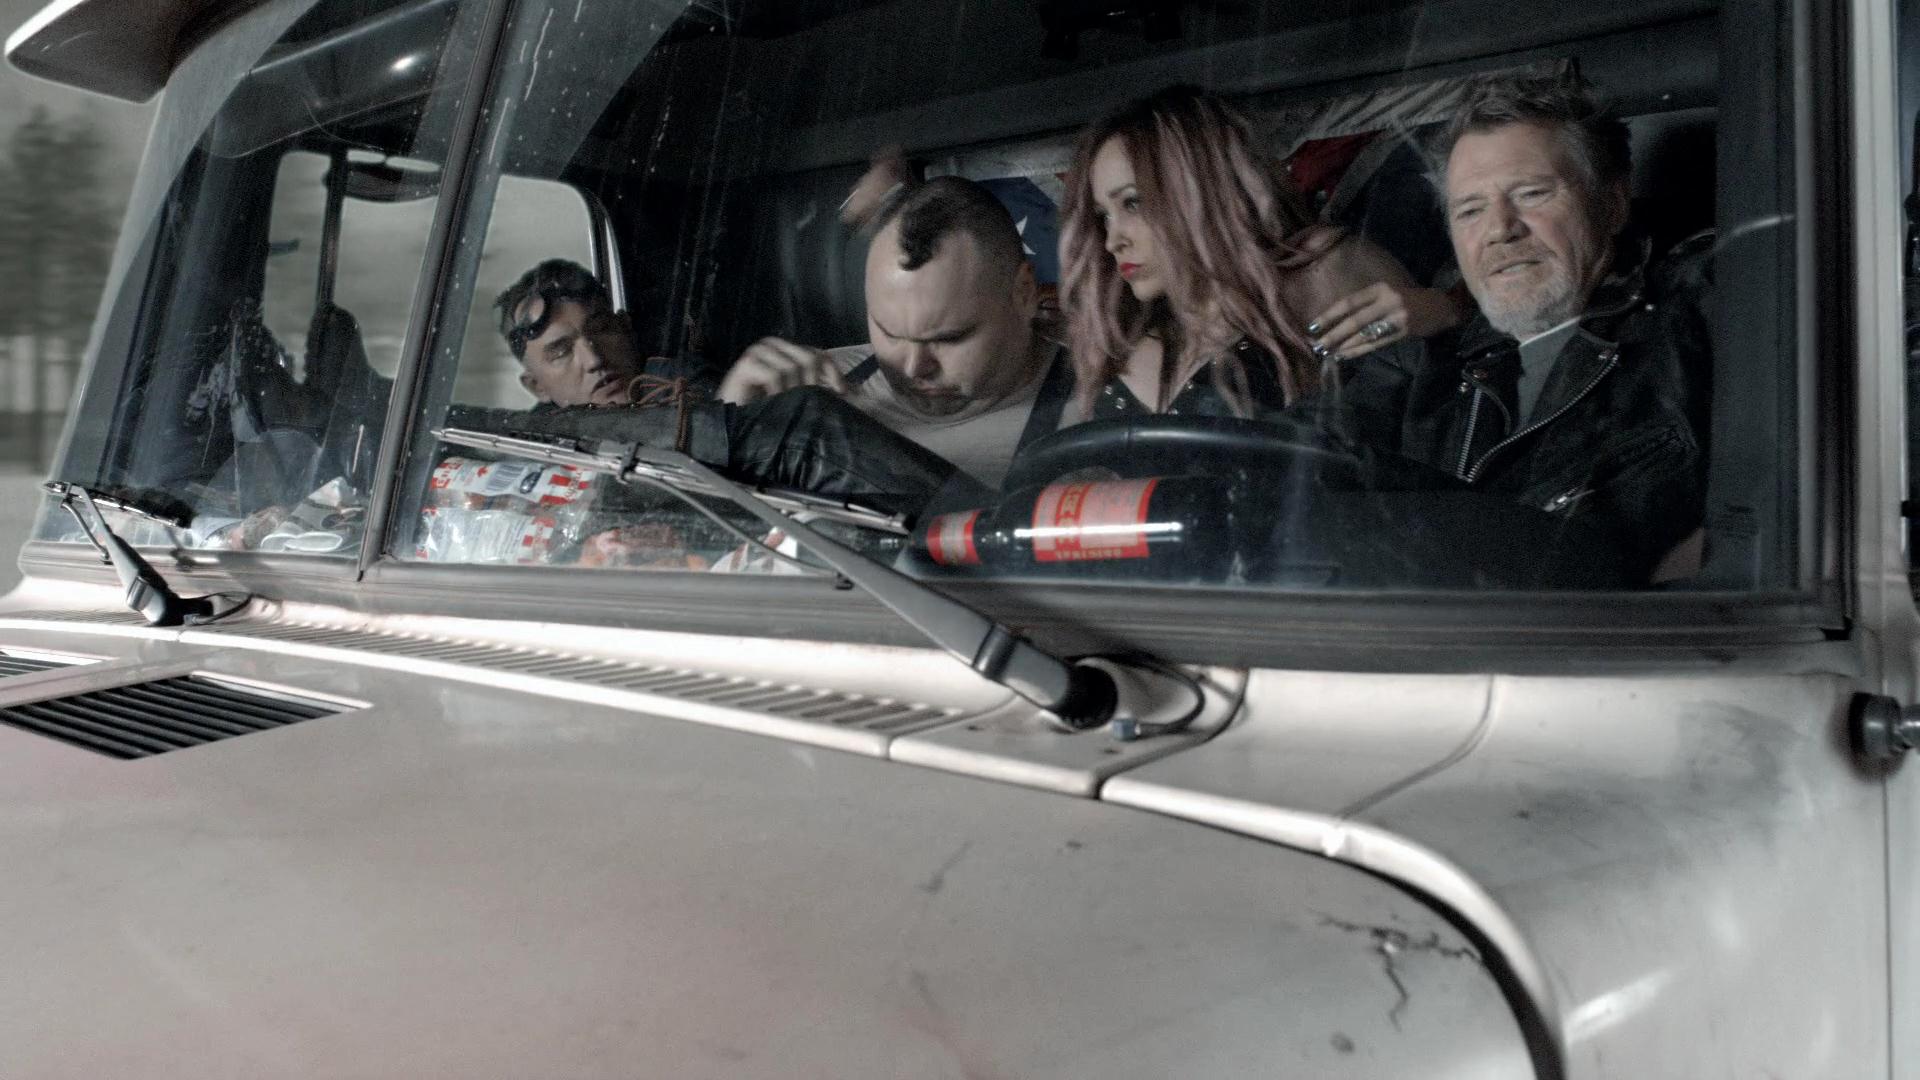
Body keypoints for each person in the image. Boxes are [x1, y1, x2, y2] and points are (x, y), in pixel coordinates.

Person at [1343, 74, 1710, 582]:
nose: (1500, 229)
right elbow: (1303, 460)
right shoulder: (1420, 360)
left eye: (1533, 194)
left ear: (1612, 205)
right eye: (1470, 210)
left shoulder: (1692, 318)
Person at [1056, 85, 1463, 421]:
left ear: (1199, 190)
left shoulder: (1324, 273)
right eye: (1102, 216)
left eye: (1133, 203)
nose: (1112, 240)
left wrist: (1443, 314)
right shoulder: (1119, 338)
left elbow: (1435, 415)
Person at [486, 259, 985, 514]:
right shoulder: (530, 452)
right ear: (535, 385)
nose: (593, 358)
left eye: (601, 331)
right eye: (561, 351)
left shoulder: (685, 380)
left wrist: (726, 408)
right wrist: (728, 418)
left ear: (626, 328)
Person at [716, 175, 1068, 488]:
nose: (914, 367)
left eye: (948, 338)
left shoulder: (1089, 414)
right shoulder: (805, 384)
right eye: (890, 333)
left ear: (1024, 294)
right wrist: (726, 428)